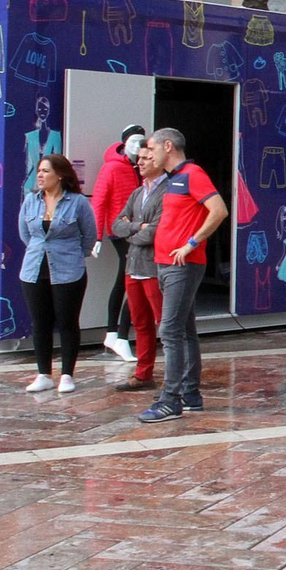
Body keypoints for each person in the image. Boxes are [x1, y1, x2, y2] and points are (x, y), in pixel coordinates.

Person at [137, 128, 228, 423]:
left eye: (152, 148)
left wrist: (191, 243)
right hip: (166, 264)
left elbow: (219, 210)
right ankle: (189, 394)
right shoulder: (174, 178)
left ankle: (170, 400)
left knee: (171, 331)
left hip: (181, 266)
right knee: (184, 331)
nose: (148, 154)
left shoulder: (192, 174)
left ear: (168, 146)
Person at [19, 154, 98, 393]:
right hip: (34, 269)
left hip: (68, 271)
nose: (40, 175)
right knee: (40, 322)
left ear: (60, 175)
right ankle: (43, 373)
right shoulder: (31, 201)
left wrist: (72, 254)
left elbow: (89, 237)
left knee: (67, 321)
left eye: (46, 171)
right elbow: (26, 234)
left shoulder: (78, 202)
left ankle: (67, 374)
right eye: (39, 171)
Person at [109, 138, 168, 392]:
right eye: (139, 158)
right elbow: (116, 225)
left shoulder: (168, 191)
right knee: (141, 323)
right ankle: (143, 374)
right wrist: (136, 227)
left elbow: (155, 231)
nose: (140, 162)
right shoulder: (137, 192)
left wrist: (132, 230)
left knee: (165, 324)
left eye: (147, 158)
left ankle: (180, 377)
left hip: (154, 267)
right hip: (133, 266)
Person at [92, 123, 146, 363]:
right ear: (124, 143)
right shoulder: (112, 168)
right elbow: (99, 201)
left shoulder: (142, 166)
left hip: (138, 230)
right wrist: (96, 236)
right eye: (133, 141)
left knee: (124, 279)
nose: (137, 146)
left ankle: (114, 334)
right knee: (133, 278)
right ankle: (121, 335)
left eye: (141, 141)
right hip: (120, 231)